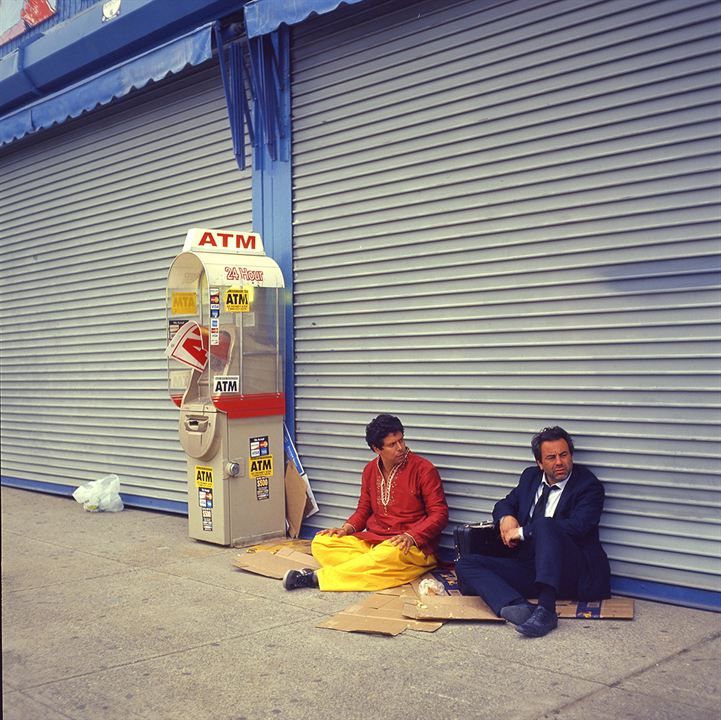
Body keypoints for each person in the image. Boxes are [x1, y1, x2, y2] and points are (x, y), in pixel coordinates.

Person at [455, 426, 611, 638]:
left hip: (571, 572)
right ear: (539, 463)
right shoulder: (530, 477)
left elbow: (578, 527)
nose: (559, 462)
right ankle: (517, 606)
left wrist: (521, 532)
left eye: (564, 455)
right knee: (466, 563)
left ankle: (546, 610)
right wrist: (506, 518)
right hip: (531, 567)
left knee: (546, 525)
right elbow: (504, 503)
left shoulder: (588, 486)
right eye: (551, 457)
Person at [282, 414, 449, 592]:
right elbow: (364, 509)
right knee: (322, 541)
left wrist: (411, 536)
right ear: (377, 448)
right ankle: (373, 567)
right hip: (375, 542)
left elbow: (439, 514)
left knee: (388, 554)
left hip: (410, 546)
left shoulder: (424, 469)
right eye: (392, 444)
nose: (401, 447)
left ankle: (316, 578)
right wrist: (346, 529)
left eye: (401, 440)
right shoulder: (370, 470)